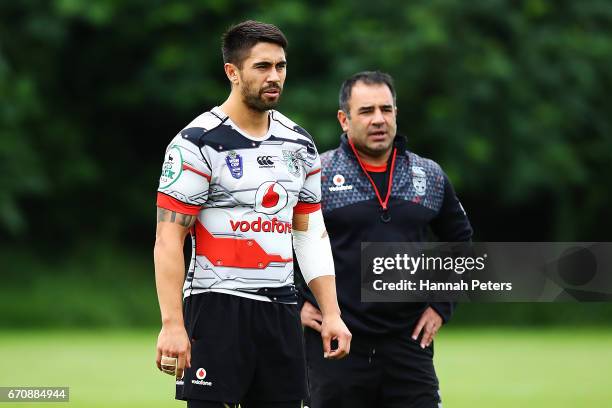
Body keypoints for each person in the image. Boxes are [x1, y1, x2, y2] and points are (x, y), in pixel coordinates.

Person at [153, 20, 351, 408]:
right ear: (233, 72)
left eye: (280, 66)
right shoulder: (197, 142)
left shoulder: (299, 144)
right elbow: (168, 238)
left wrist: (332, 313)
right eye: (262, 67)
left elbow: (309, 233)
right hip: (216, 307)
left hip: (281, 309)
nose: (274, 76)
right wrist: (172, 324)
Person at [299, 71, 473, 408]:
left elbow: (461, 239)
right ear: (344, 120)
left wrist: (441, 304)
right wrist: (294, 301)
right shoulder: (315, 175)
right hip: (336, 339)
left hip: (408, 343)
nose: (378, 119)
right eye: (366, 111)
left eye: (386, 109)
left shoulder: (430, 176)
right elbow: (280, 241)